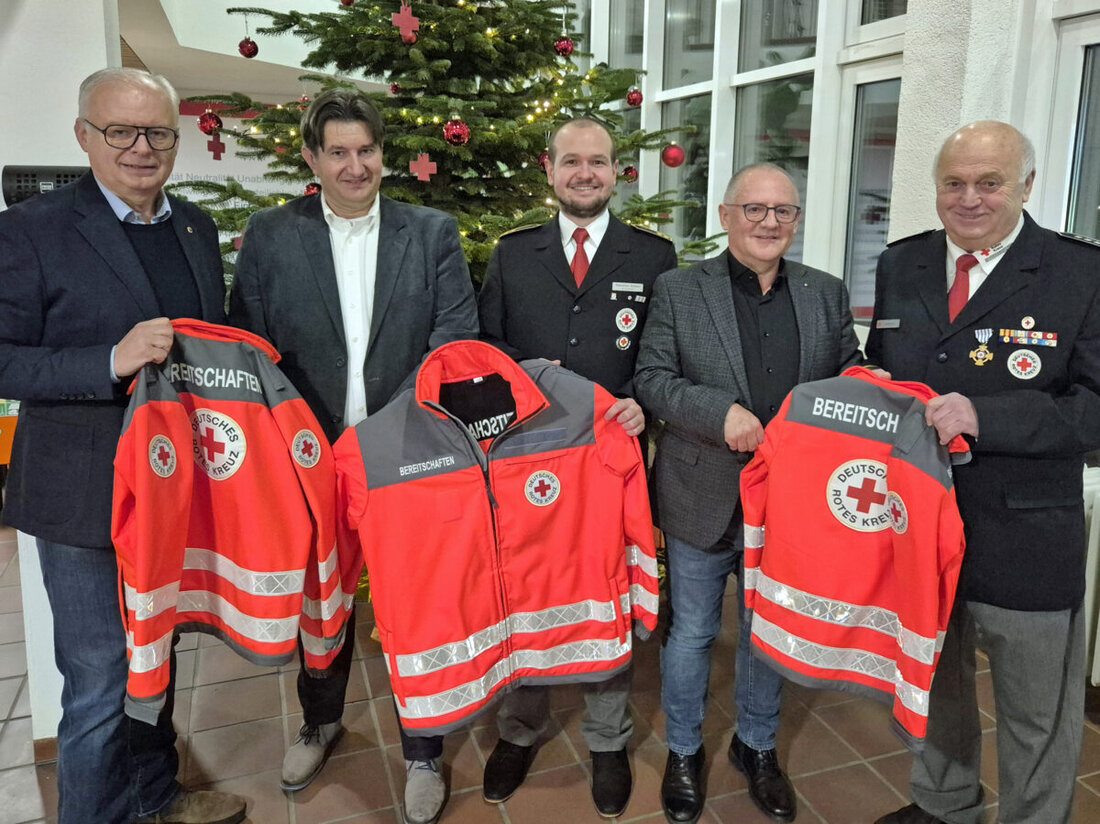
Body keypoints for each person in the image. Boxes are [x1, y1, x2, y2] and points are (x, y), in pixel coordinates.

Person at [0, 68, 244, 824]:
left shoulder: (197, 228)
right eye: (120, 131)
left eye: (158, 132)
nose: (141, 148)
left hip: (174, 489)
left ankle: (155, 797)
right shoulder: (31, 230)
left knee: (155, 661)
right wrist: (110, 359)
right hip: (82, 497)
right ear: (85, 136)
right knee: (102, 679)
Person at [228, 88, 478, 824]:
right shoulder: (271, 235)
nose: (354, 164)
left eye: (365, 150)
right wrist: (302, 437)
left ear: (382, 154)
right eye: (337, 151)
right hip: (308, 458)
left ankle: (425, 751)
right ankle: (320, 720)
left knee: (416, 605)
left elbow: (453, 340)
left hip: (406, 453)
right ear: (312, 158)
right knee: (321, 602)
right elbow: (253, 349)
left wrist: (387, 432)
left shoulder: (431, 232)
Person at [868, 121, 1100, 824]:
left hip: (1026, 534)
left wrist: (987, 417)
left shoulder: (1081, 273)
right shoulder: (900, 264)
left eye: (989, 183)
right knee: (933, 688)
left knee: (1034, 716)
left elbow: (1096, 412)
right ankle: (945, 805)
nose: (969, 199)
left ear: (1026, 186)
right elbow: (887, 366)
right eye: (954, 183)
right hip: (918, 529)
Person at [634, 163, 862, 824]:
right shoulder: (679, 288)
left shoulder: (825, 291)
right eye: (755, 209)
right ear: (728, 214)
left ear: (795, 220)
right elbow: (651, 377)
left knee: (769, 633)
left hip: (791, 502)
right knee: (695, 630)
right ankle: (682, 752)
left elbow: (845, 367)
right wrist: (720, 412)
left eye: (782, 211)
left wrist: (866, 379)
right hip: (701, 491)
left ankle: (756, 747)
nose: (768, 222)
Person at [477, 116, 677, 817]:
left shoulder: (653, 256)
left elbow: (663, 359)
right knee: (526, 588)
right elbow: (488, 350)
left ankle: (607, 739)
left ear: (618, 170)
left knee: (605, 593)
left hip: (608, 462)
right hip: (526, 462)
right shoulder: (512, 254)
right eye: (571, 162)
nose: (585, 173)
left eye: (598, 162)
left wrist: (639, 404)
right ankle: (520, 729)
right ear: (549, 169)